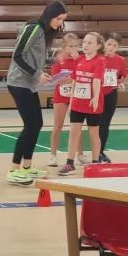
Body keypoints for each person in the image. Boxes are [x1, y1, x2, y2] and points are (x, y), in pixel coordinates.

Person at [5, 0, 67, 185]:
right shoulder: (33, 28)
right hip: (18, 83)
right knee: (30, 125)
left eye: (63, 19)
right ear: (49, 15)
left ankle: (27, 166)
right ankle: (13, 169)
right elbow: (17, 55)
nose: (60, 23)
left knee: (37, 123)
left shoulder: (44, 33)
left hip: (30, 84)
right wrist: (36, 73)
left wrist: (52, 63)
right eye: (58, 18)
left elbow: (36, 58)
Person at [58, 32, 106, 176]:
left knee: (93, 133)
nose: (85, 45)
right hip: (78, 103)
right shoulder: (79, 60)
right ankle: (69, 163)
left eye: (90, 43)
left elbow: (97, 80)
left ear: (98, 46)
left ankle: (96, 161)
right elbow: (74, 81)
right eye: (84, 42)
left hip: (92, 104)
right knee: (73, 133)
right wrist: (71, 101)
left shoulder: (100, 61)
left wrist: (96, 98)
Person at [47, 32, 80, 167]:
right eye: (70, 46)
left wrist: (78, 62)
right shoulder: (58, 59)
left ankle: (80, 154)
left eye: (76, 46)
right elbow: (55, 80)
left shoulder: (80, 59)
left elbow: (84, 75)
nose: (73, 49)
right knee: (58, 126)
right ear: (64, 47)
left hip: (76, 96)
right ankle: (53, 155)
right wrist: (71, 79)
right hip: (61, 96)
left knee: (76, 126)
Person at [98, 32, 128, 163]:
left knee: (105, 125)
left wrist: (121, 82)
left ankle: (100, 152)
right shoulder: (97, 58)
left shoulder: (120, 60)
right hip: (96, 95)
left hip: (111, 95)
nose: (111, 47)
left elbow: (125, 75)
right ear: (104, 44)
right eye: (109, 44)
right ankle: (90, 152)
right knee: (96, 125)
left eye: (114, 45)